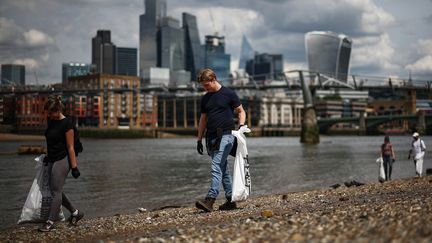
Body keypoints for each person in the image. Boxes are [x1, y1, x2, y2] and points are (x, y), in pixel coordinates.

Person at [195, 68, 246, 212]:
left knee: (216, 165)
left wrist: (241, 127)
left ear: (213, 79)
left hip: (226, 135)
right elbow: (203, 119)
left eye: (206, 85)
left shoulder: (228, 94)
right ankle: (231, 200)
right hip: (210, 138)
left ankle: (210, 199)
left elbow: (241, 111)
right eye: (203, 86)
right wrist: (199, 139)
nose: (205, 88)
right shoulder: (205, 98)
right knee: (223, 169)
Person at [38, 95, 84, 232]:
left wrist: (74, 167)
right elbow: (51, 140)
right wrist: (47, 155)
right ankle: (75, 212)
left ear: (57, 110)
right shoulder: (51, 120)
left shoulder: (67, 124)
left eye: (50, 112)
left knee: (56, 190)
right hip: (52, 157)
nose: (48, 115)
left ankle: (50, 222)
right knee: (54, 190)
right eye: (47, 112)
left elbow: (70, 147)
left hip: (63, 158)